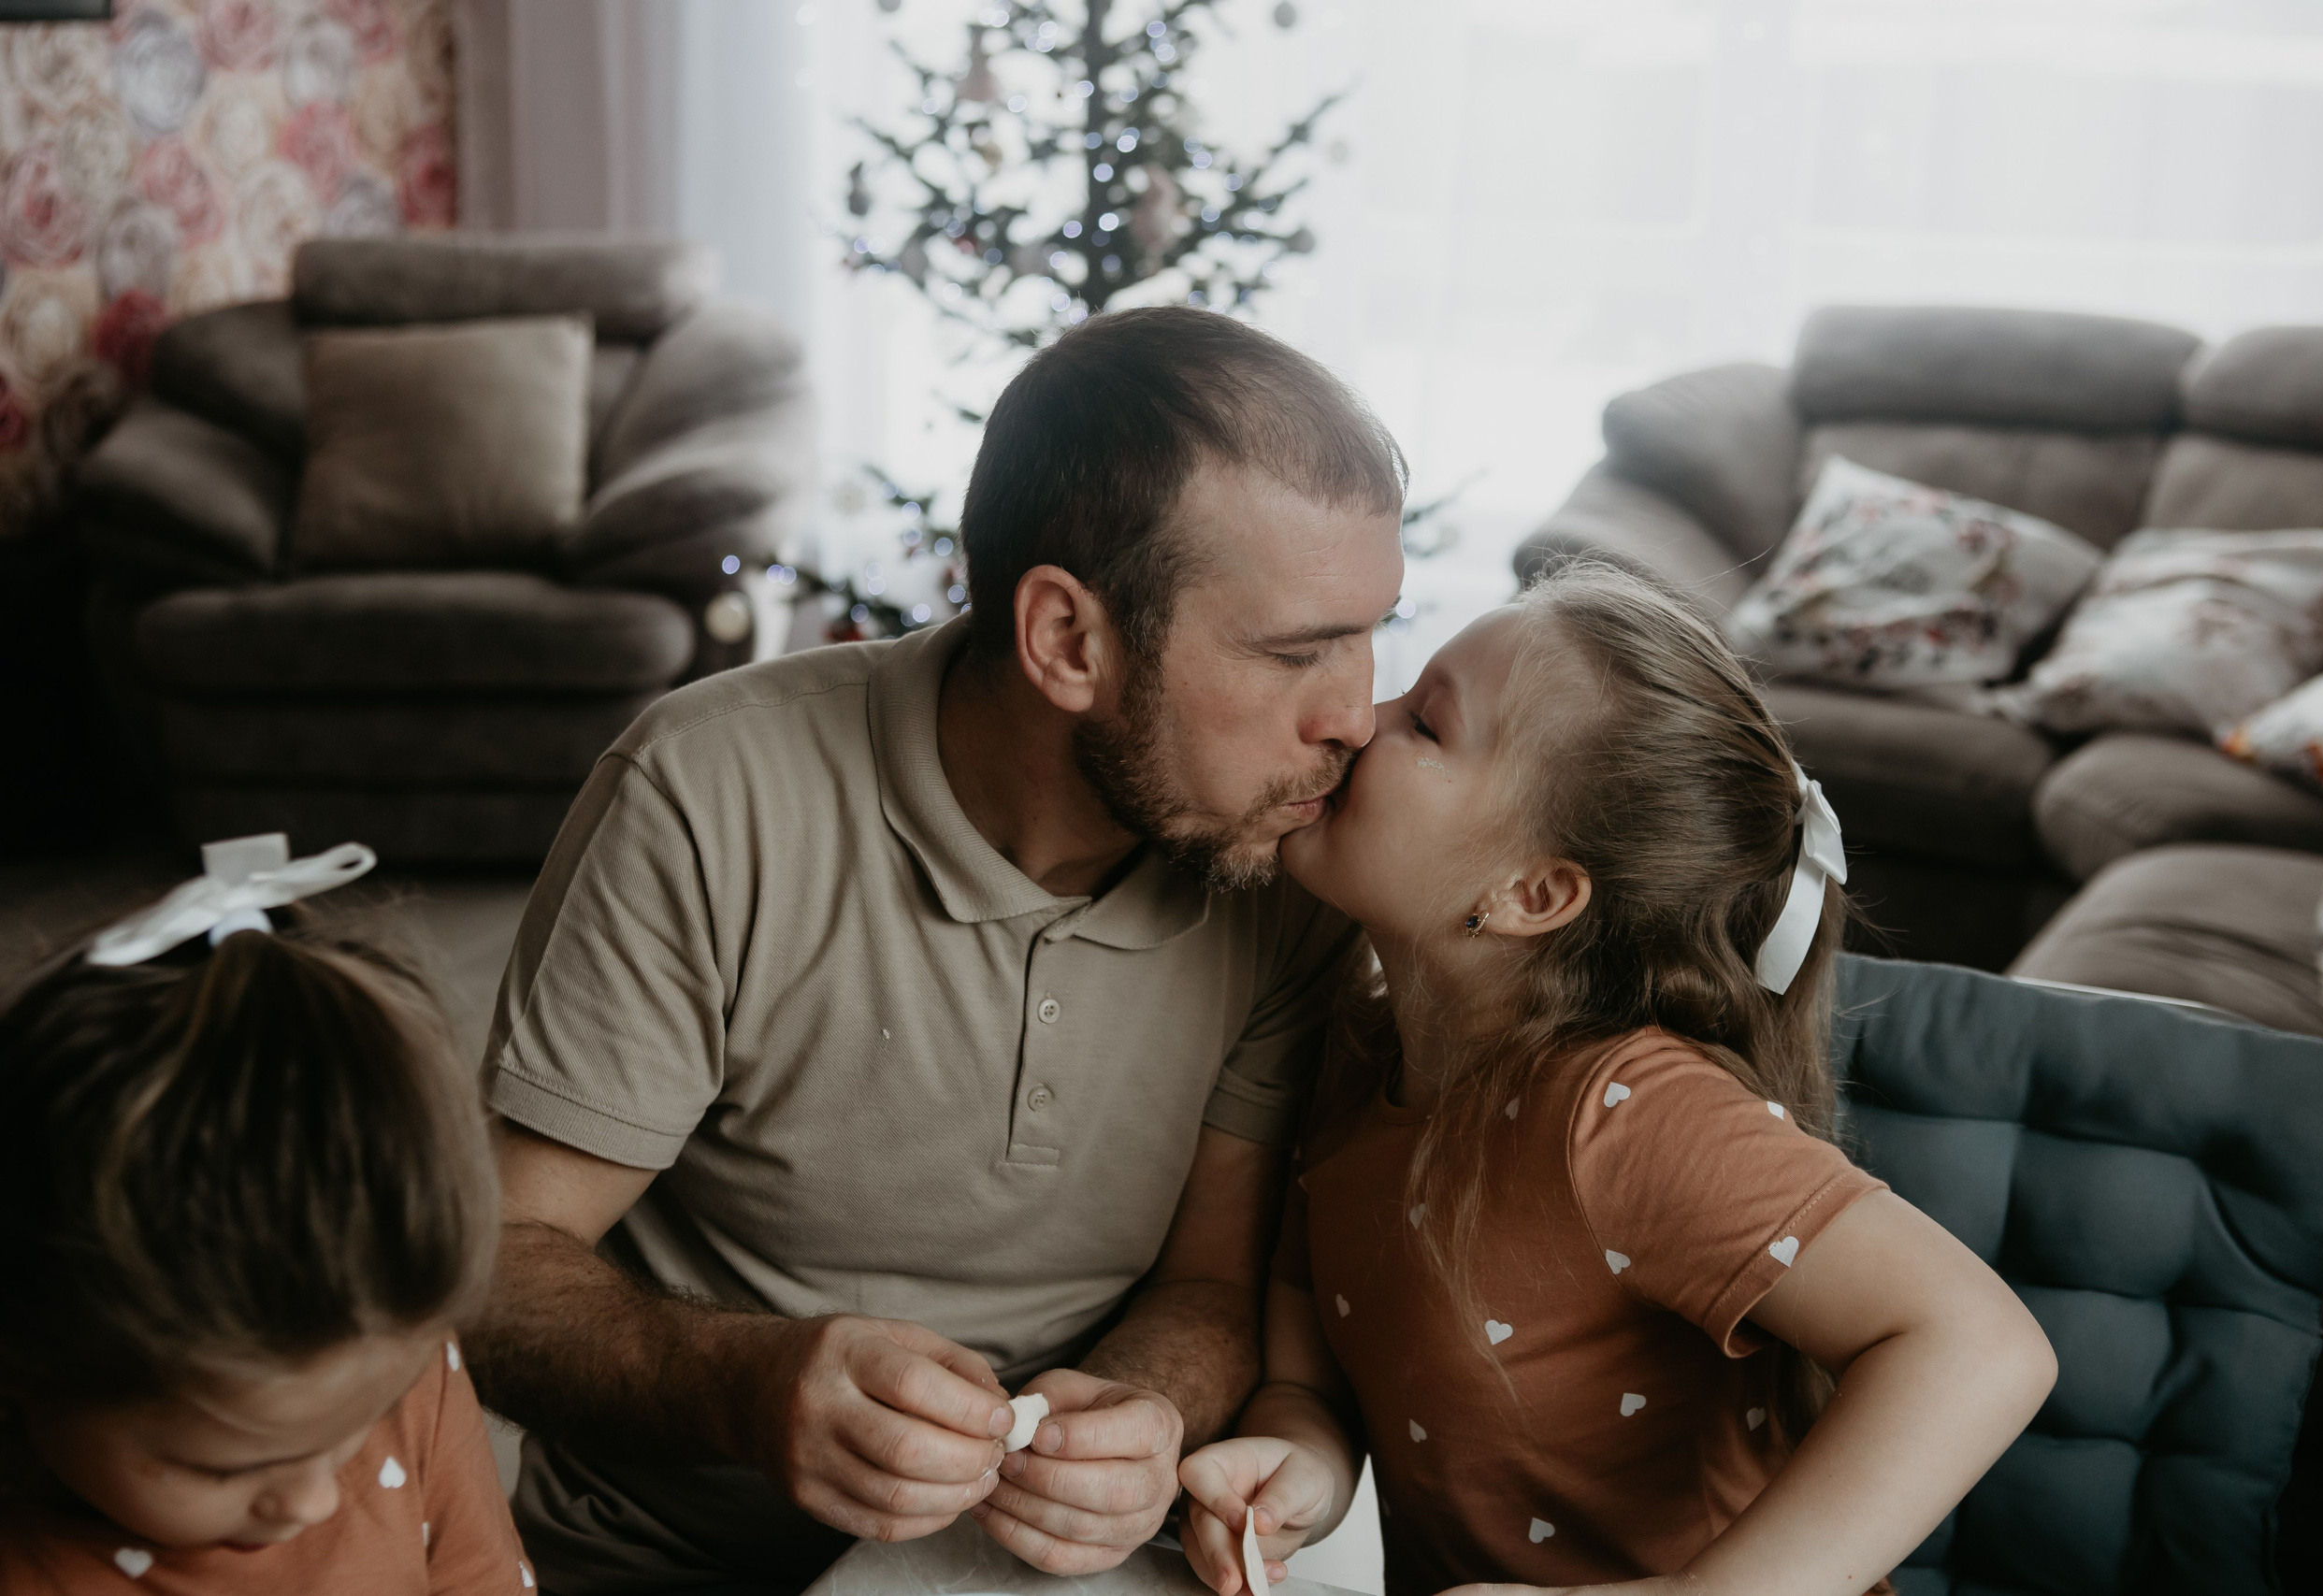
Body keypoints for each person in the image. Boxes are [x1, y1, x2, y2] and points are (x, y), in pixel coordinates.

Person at [466, 307, 1408, 1591]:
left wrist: (1143, 1411)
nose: (1356, 714)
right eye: (1297, 651)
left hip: (1048, 1567)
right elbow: (493, 1267)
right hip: (682, 1556)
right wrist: (749, 1385)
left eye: (1372, 633)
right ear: (1068, 639)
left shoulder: (1276, 852)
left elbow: (1210, 1280)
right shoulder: (704, 794)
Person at [1176, 561, 2058, 1596]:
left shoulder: (1626, 1111)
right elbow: (1307, 1374)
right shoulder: (1353, 1062)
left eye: (1425, 721)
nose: (1359, 719)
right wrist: (1301, 1469)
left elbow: (1981, 1345)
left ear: (1529, 892)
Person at [0, 853, 528, 1594]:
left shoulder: (397, 1357)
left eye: (355, 1429)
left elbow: (479, 1576)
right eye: (222, 1466)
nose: (311, 1501)